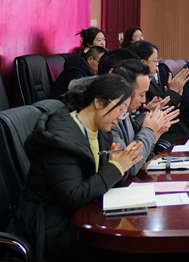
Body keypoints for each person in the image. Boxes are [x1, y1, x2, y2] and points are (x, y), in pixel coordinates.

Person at [7, 74, 144, 261]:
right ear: (98, 102)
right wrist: (115, 168)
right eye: (120, 109)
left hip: (80, 214)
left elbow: (98, 181)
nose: (121, 118)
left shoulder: (100, 131)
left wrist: (118, 164)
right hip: (49, 225)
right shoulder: (61, 140)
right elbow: (74, 197)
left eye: (125, 112)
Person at [110, 60, 179, 176]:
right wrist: (149, 131)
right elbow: (130, 166)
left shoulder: (126, 115)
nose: (143, 101)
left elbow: (142, 157)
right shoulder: (110, 121)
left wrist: (154, 136)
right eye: (141, 95)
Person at [130, 40, 189, 107]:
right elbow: (158, 109)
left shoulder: (150, 81)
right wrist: (173, 91)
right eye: (155, 60)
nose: (157, 64)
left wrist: (171, 93)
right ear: (143, 62)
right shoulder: (135, 85)